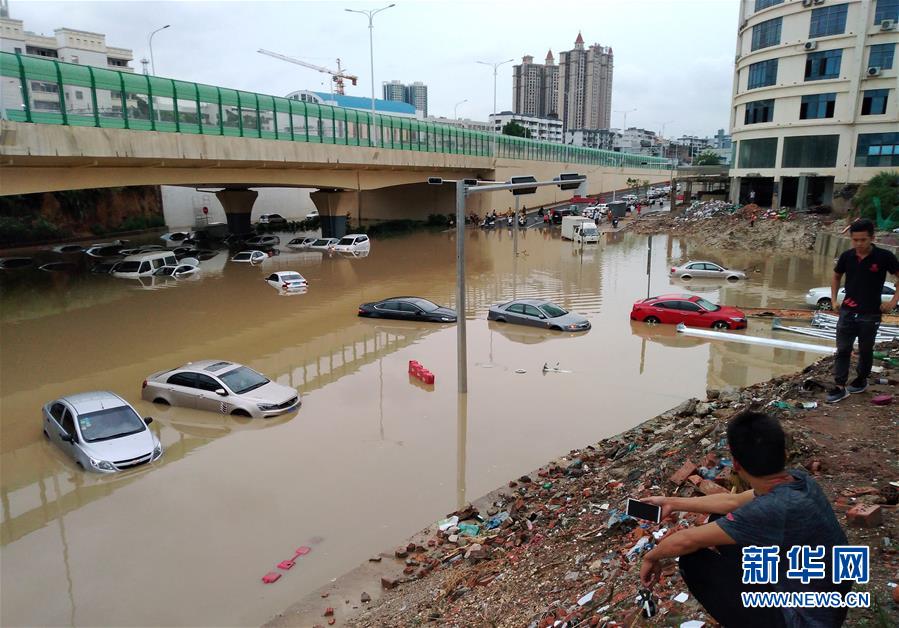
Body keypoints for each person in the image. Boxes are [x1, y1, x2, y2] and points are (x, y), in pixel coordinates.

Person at [640, 411, 851, 628]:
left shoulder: (773, 508)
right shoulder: (798, 480)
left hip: (804, 620)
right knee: (720, 518)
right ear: (784, 454)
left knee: (693, 560)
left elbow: (687, 540)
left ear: (736, 464)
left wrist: (650, 557)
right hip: (824, 597)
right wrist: (671, 502)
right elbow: (732, 503)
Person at [826, 219, 899, 403]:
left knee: (866, 350)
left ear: (872, 238)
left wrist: (892, 302)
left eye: (863, 240)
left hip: (871, 313)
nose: (859, 244)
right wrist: (834, 300)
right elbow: (836, 276)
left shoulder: (884, 257)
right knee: (842, 349)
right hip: (848, 311)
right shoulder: (847, 256)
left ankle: (861, 380)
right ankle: (840, 386)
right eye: (855, 240)